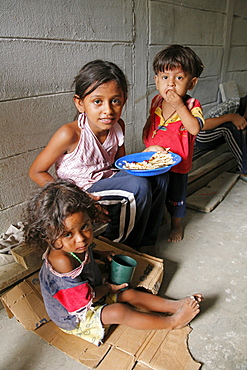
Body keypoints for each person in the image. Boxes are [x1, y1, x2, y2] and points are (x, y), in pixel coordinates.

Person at [24, 180, 203, 346]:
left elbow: (79, 256)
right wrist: (109, 288)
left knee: (129, 293)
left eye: (85, 226)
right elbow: (83, 302)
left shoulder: (70, 247)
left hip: (90, 294)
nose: (81, 239)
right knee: (119, 311)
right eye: (68, 234)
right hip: (76, 316)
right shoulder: (61, 262)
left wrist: (99, 254)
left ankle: (175, 306)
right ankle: (172, 322)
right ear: (48, 236)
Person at [28, 60, 169, 249]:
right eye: (97, 101)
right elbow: (36, 172)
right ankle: (121, 248)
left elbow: (120, 164)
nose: (108, 110)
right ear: (80, 103)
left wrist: (147, 155)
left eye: (115, 101)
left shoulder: (118, 126)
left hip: (108, 180)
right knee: (138, 186)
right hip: (82, 191)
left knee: (159, 174)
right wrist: (77, 199)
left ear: (124, 100)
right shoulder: (70, 134)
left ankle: (146, 240)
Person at [142, 45, 204, 242]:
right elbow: (151, 124)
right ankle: (159, 216)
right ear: (156, 80)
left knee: (176, 198)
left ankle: (176, 225)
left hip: (178, 164)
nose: (170, 84)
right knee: (157, 191)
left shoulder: (193, 105)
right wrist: (147, 143)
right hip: (156, 159)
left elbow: (194, 128)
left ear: (191, 83)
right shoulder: (156, 101)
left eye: (178, 78)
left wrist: (179, 105)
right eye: (165, 77)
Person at [196, 96, 247, 182]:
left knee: (237, 127)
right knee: (230, 127)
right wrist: (231, 117)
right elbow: (203, 126)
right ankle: (245, 171)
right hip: (203, 138)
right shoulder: (232, 105)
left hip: (219, 137)